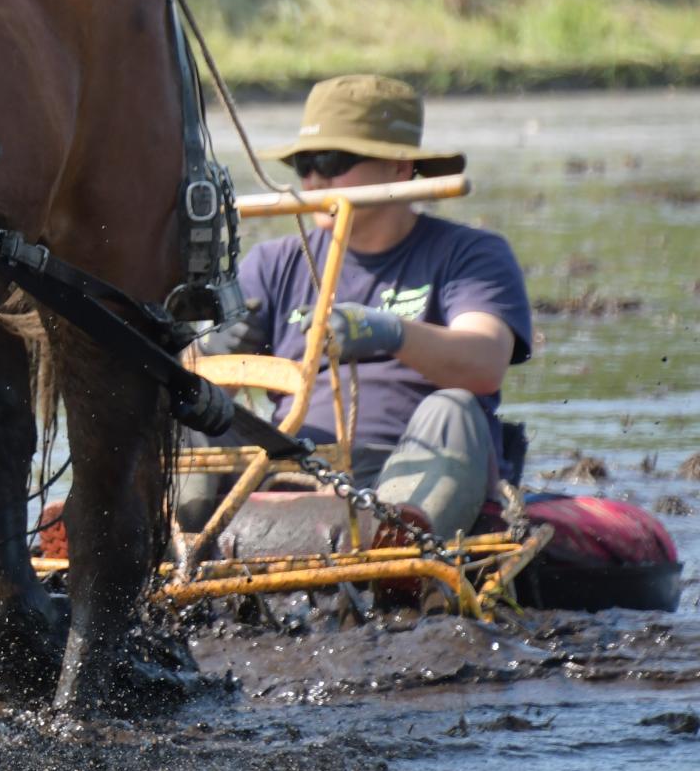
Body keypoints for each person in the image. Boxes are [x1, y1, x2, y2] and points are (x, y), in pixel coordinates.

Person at [185, 74, 534, 539]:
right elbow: (196, 398)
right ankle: (151, 536)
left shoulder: (469, 254)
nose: (314, 180)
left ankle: (399, 544)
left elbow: (484, 362)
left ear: (399, 167)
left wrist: (390, 332)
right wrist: (212, 356)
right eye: (303, 164)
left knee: (455, 408)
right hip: (287, 464)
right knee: (184, 408)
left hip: (407, 464)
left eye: (333, 161)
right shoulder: (273, 263)